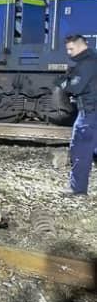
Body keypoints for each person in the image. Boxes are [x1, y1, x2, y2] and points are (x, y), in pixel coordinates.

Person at [58, 34, 97, 195]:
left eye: (71, 48)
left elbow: (75, 87)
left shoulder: (86, 64)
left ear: (81, 46)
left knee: (80, 149)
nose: (69, 52)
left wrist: (63, 81)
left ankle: (77, 189)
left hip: (89, 112)